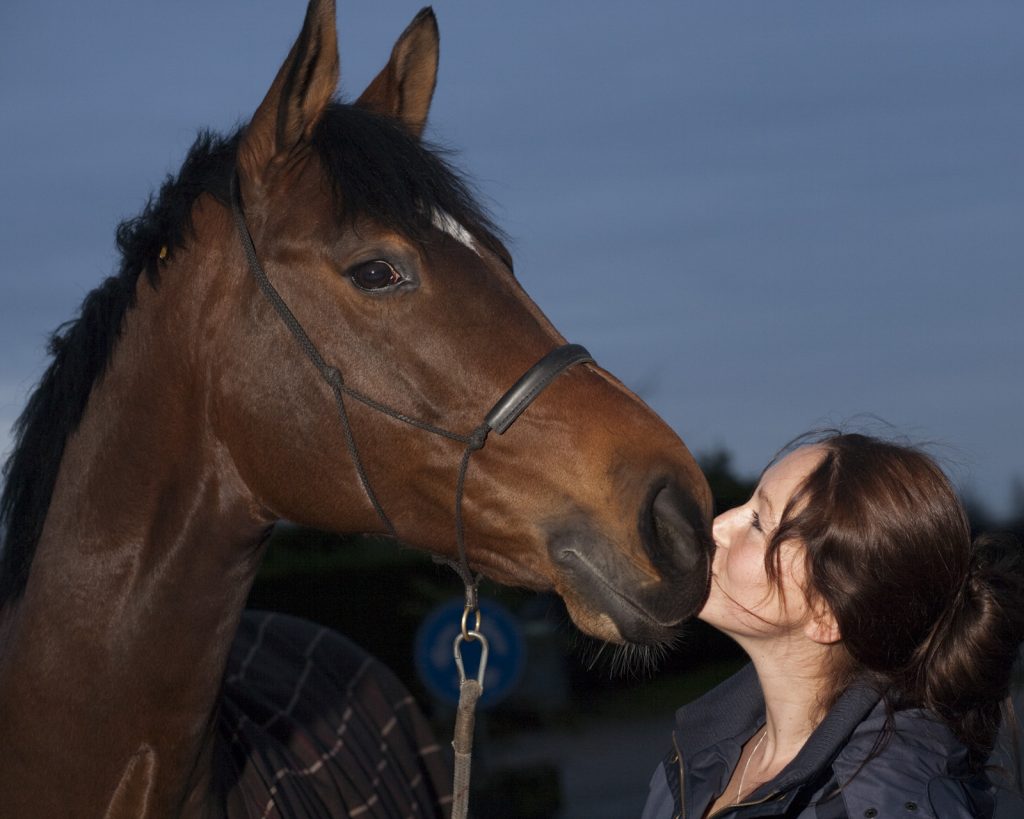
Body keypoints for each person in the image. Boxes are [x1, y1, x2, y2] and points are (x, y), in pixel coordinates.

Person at [641, 432, 1024, 818]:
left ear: (826, 614)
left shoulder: (883, 803)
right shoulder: (698, 750)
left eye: (758, 522)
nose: (718, 527)